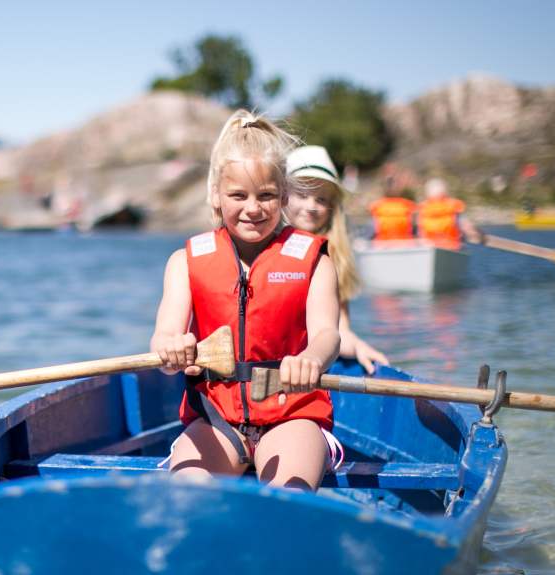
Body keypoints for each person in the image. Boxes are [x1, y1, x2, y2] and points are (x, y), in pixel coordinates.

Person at [150, 111, 342, 490]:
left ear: (284, 195)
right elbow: (163, 336)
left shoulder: (315, 261)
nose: (253, 208)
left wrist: (312, 359)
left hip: (292, 415)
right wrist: (171, 348)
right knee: (184, 498)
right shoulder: (184, 263)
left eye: (266, 195)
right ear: (216, 196)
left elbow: (327, 335)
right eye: (238, 195)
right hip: (215, 419)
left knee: (286, 500)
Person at [285, 146, 389, 374]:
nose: (311, 206)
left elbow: (340, 328)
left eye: (321, 199)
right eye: (302, 195)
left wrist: (359, 346)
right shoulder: (262, 245)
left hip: (310, 367)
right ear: (283, 195)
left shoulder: (333, 255)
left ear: (332, 207)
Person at [417, 178, 482, 249]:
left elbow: (419, 231)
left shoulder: (423, 208)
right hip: (452, 247)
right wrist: (476, 234)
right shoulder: (453, 206)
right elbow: (466, 226)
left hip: (429, 247)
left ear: (427, 193)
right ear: (444, 191)